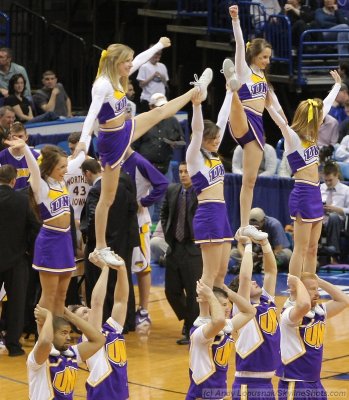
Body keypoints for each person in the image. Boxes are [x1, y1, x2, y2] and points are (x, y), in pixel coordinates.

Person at [74, 37, 212, 267]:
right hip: (112, 142)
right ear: (115, 62)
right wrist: (83, 141)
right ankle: (99, 248)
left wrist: (158, 45)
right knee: (107, 198)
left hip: (124, 129)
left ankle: (197, 90)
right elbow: (91, 114)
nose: (130, 65)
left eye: (129, 61)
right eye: (125, 61)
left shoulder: (118, 77)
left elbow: (139, 59)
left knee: (160, 112)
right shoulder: (102, 85)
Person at [267, 70, 341, 277]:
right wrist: (268, 104)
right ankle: (293, 291)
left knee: (312, 249)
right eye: (318, 117)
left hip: (316, 192)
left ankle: (310, 288)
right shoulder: (292, 137)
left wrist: (336, 86)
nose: (322, 119)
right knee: (300, 249)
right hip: (302, 193)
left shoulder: (312, 135)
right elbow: (280, 122)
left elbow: (324, 106)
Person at [4, 138, 87, 316]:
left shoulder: (61, 181)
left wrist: (82, 144)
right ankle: (43, 338)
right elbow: (34, 167)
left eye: (66, 166)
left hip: (65, 240)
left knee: (62, 295)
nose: (66, 171)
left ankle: (56, 338)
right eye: (62, 168)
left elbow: (79, 158)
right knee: (48, 296)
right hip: (50, 241)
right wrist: (25, 148)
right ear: (50, 168)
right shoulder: (41, 186)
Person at [228, 5, 286, 240]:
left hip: (258, 126)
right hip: (242, 117)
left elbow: (275, 108)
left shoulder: (264, 79)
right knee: (236, 97)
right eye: (263, 57)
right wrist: (236, 20)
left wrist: (289, 130)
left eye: (268, 58)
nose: (266, 61)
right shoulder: (245, 70)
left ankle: (243, 226)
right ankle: (230, 89)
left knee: (249, 180)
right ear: (254, 56)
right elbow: (241, 46)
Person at [186, 63, 237, 323]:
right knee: (208, 273)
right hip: (207, 213)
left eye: (217, 139)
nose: (217, 141)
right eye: (212, 139)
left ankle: (217, 311)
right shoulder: (195, 157)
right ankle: (203, 316)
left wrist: (229, 90)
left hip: (222, 212)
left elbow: (222, 120)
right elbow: (196, 131)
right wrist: (197, 104)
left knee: (221, 272)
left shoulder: (215, 155)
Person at [277, 272, 349, 400]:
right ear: (301, 291)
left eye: (317, 289)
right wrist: (298, 283)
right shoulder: (289, 315)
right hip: (295, 383)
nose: (317, 293)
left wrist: (319, 281)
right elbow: (304, 305)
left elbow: (344, 300)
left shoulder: (319, 312)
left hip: (315, 382)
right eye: (311, 289)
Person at [122, 147, 168, 337]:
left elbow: (162, 183)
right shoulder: (112, 158)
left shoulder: (139, 162)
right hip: (119, 221)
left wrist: (145, 202)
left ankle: (143, 310)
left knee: (142, 267)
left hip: (138, 222)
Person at [70, 251, 129, 400]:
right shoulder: (87, 338)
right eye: (83, 313)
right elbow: (97, 303)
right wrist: (105, 269)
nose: (88, 311)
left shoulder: (111, 329)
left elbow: (121, 301)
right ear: (78, 326)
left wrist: (122, 269)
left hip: (121, 392)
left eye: (86, 309)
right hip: (101, 393)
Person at [229, 234, 281, 400]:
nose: (253, 282)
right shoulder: (241, 308)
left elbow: (272, 271)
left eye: (254, 280)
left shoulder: (267, 300)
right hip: (248, 383)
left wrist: (265, 243)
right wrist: (248, 245)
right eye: (250, 283)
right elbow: (244, 277)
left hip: (267, 382)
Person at [186, 278, 256, 398]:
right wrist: (209, 295)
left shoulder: (226, 326)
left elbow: (250, 311)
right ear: (211, 304)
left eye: (227, 304)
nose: (228, 308)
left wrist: (228, 292)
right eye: (223, 305)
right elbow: (218, 321)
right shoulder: (200, 331)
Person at [160, 161, 203, 344]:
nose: (184, 174)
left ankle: (190, 328)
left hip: (193, 248)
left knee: (193, 293)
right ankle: (189, 319)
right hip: (175, 247)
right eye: (181, 171)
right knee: (171, 291)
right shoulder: (172, 190)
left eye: (187, 171)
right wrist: (168, 235)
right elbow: (164, 213)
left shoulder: (201, 192)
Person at [27, 304, 105, 400]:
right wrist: (48, 317)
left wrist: (70, 315)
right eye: (64, 333)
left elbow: (99, 340)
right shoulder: (39, 357)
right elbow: (45, 341)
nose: (68, 337)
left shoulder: (72, 354)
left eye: (69, 333)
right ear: (52, 334)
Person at [0, 164, 38, 356]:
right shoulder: (22, 200)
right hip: (17, 259)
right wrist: (28, 250)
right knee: (16, 302)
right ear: (14, 180)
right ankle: (13, 346)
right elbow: (34, 227)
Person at [320, 161, 349, 258]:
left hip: (338, 220)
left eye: (330, 180)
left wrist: (337, 209)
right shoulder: (320, 188)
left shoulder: (346, 190)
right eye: (325, 180)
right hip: (321, 218)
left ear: (337, 175)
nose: (327, 183)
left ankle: (334, 254)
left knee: (333, 217)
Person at [0, 122, 39, 189]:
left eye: (20, 136)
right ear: (9, 138)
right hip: (10, 197)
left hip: (30, 197)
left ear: (26, 137)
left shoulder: (36, 156)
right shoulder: (1, 157)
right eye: (14, 137)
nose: (17, 140)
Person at [136, 46, 169, 113]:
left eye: (159, 54)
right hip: (148, 99)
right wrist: (152, 76)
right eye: (156, 53)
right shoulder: (144, 66)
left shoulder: (162, 66)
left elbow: (166, 84)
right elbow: (141, 85)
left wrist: (162, 77)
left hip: (161, 100)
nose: (158, 56)